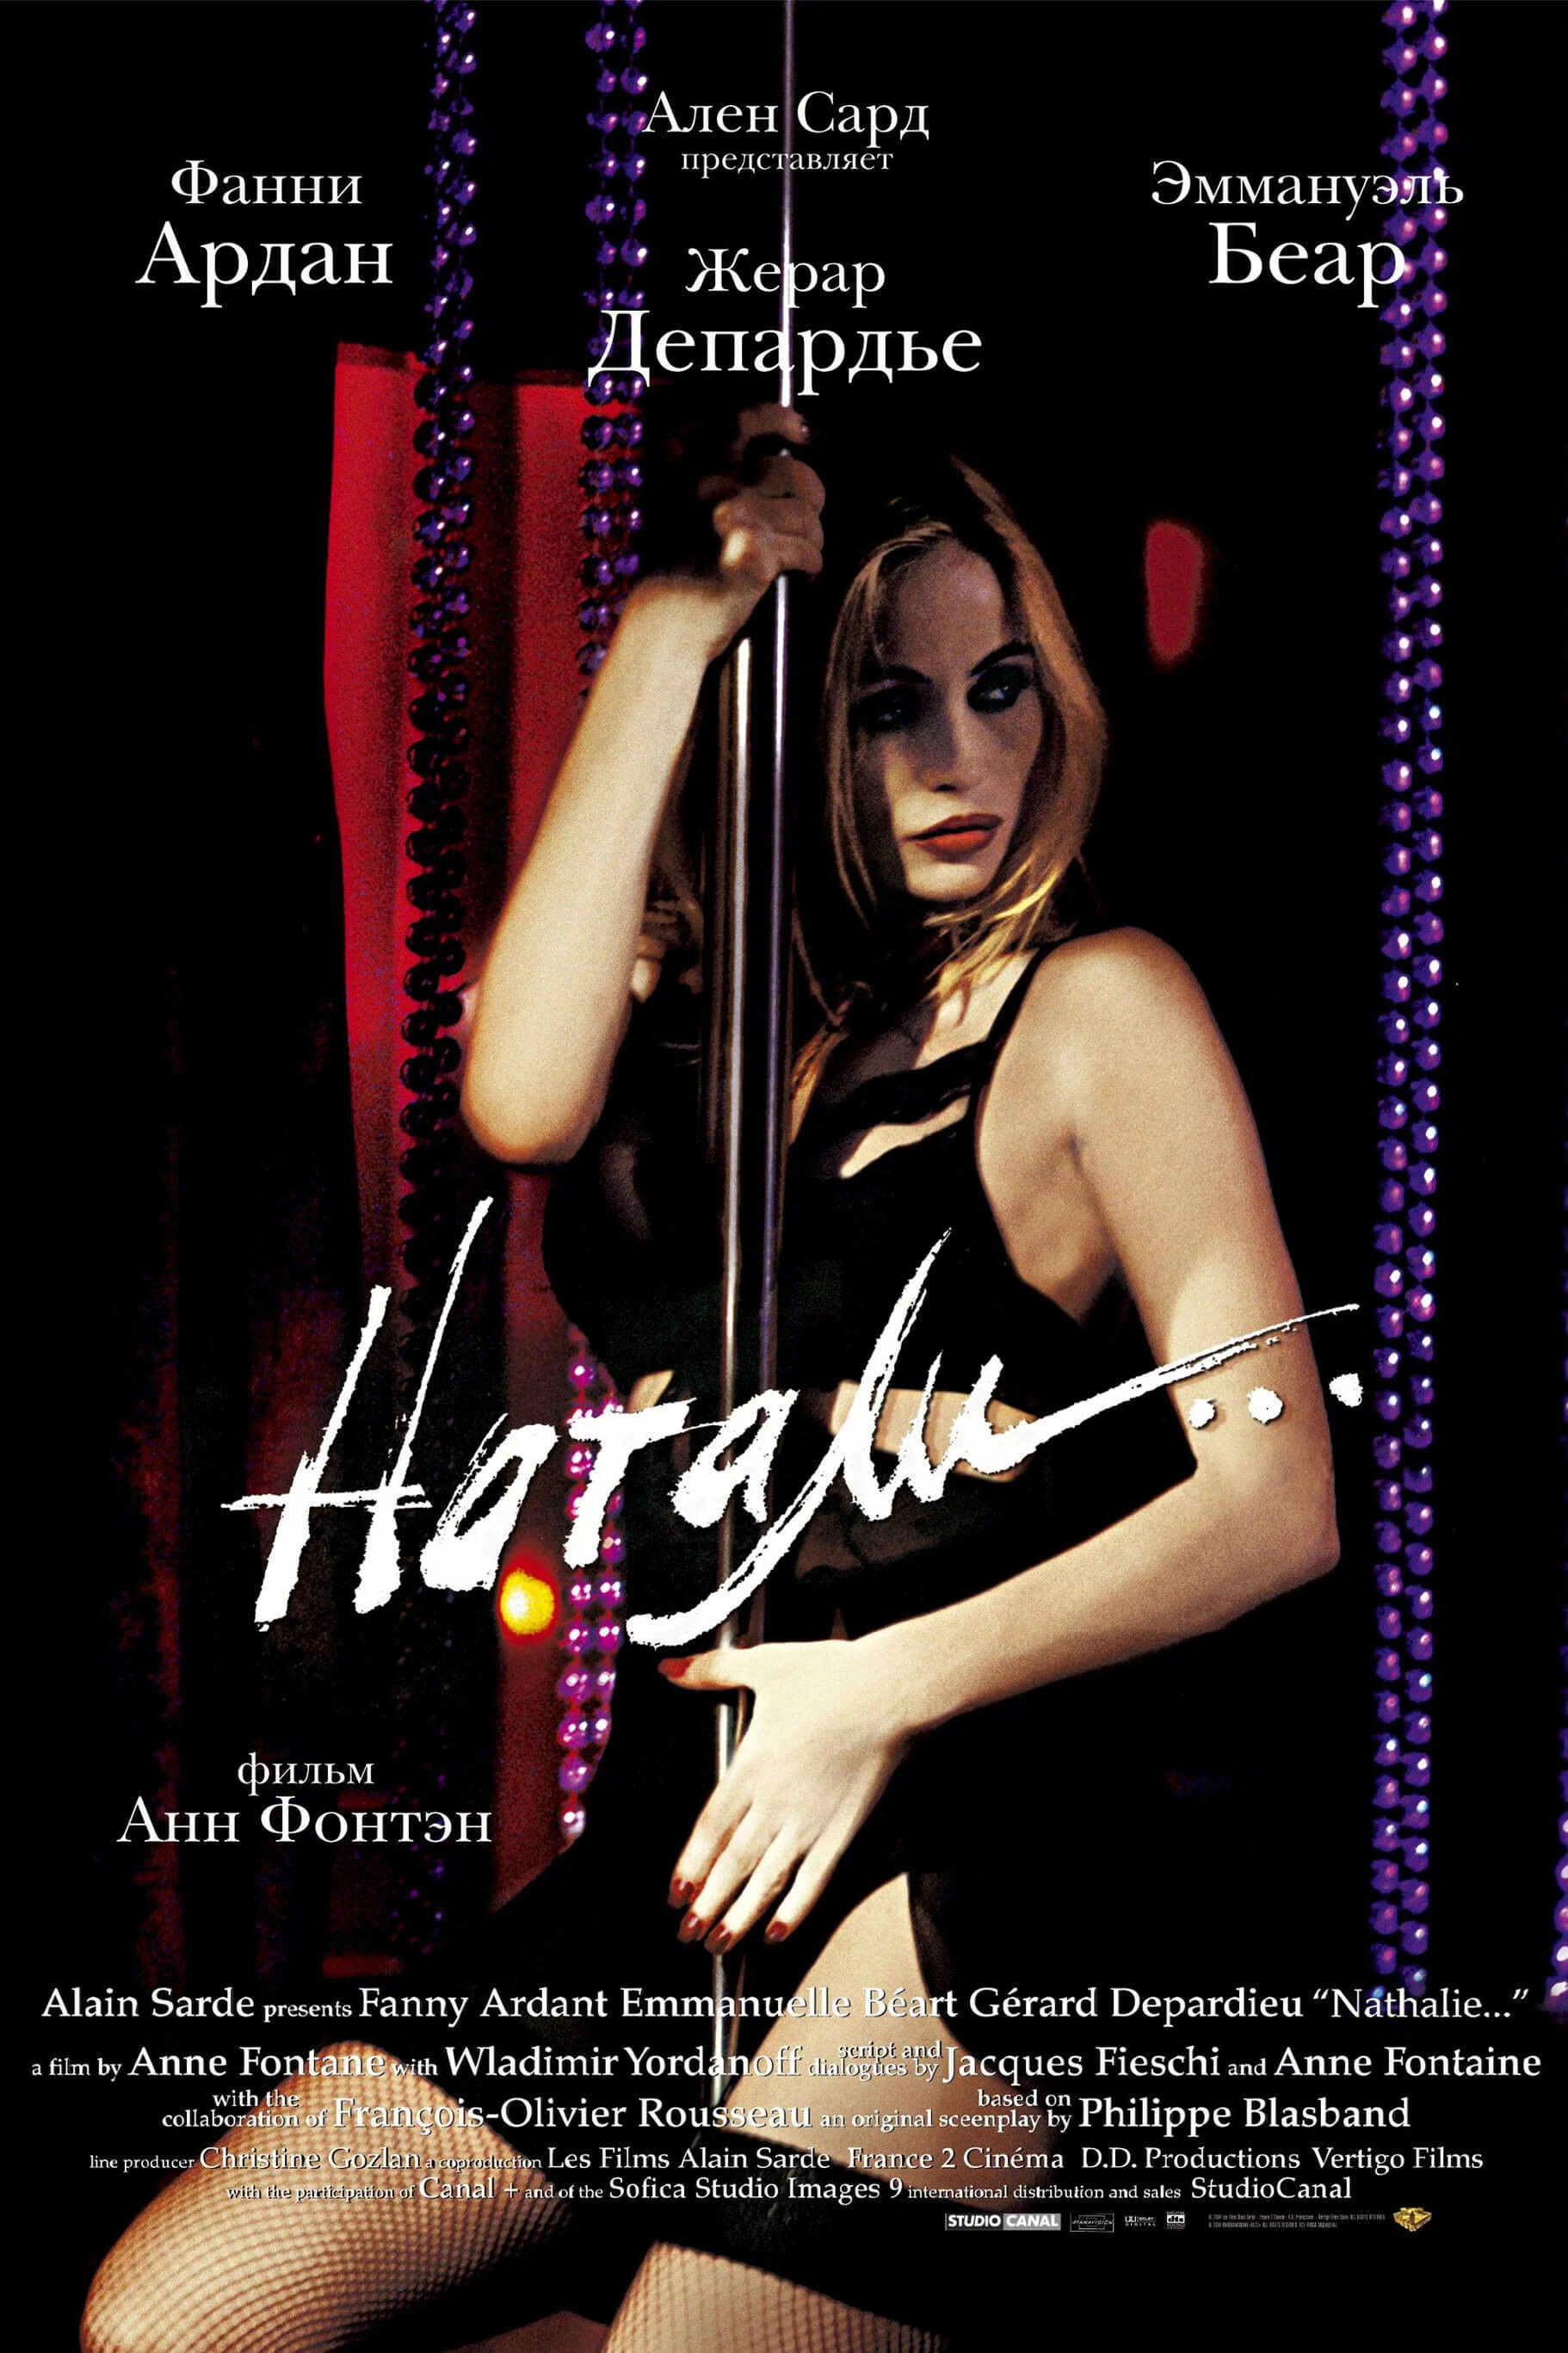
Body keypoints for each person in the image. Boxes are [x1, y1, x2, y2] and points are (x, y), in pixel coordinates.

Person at [83, 407, 1338, 2352]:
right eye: (886, 705)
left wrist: (878, 1687)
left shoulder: (1102, 1005)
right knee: (173, 2322)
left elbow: (1273, 1499)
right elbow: (516, 1095)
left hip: (972, 1856)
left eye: (999, 686)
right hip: (680, 1844)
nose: (961, 759)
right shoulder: (720, 1020)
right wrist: (677, 623)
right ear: (795, 730)